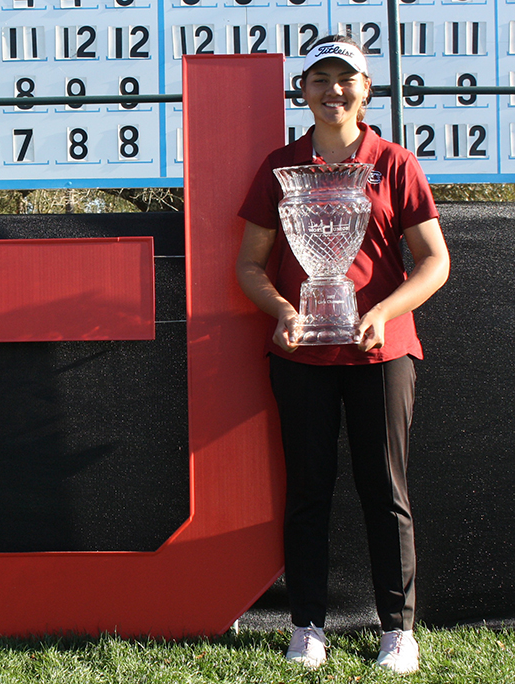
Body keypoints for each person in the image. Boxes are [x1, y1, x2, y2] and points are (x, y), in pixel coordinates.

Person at [235, 36, 450, 674]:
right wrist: (284, 312)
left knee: (386, 490)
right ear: (301, 91)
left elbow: (435, 261)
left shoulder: (396, 162)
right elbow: (249, 265)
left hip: (383, 355)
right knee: (306, 490)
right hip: (302, 356)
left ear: (366, 90)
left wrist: (383, 313)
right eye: (320, 80)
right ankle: (306, 627)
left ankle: (397, 630)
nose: (333, 91)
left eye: (345, 79)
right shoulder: (281, 165)